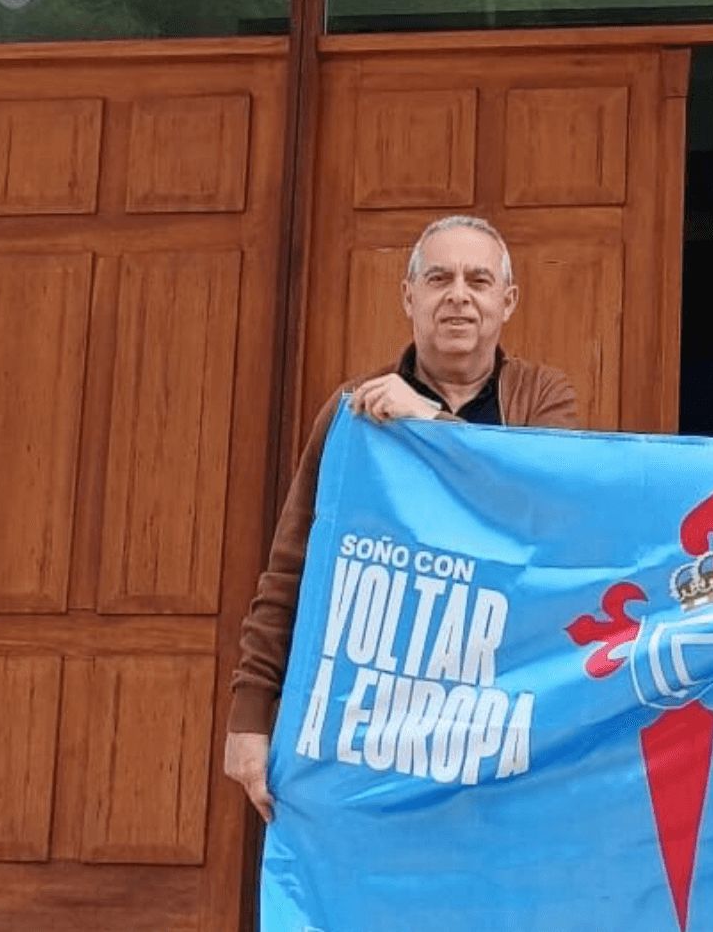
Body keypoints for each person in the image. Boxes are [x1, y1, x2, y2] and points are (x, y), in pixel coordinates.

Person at [221, 213, 578, 821]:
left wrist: (428, 422)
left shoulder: (542, 398)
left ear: (508, 301)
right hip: (378, 711)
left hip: (503, 705)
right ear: (409, 296)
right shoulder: (352, 414)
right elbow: (293, 570)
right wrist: (249, 716)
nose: (458, 295)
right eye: (439, 278)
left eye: (478, 280)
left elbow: (544, 511)